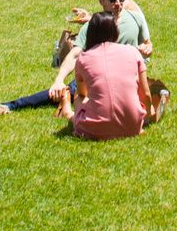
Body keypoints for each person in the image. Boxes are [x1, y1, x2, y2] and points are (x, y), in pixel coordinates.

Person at [0, 0, 152, 114]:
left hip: (129, 76)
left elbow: (147, 43)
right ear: (101, 1)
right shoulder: (93, 25)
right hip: (99, 74)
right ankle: (11, 106)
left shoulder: (135, 18)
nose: (118, 3)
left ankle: (69, 105)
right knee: (66, 89)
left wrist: (147, 48)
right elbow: (75, 54)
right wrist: (59, 80)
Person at [57, 11, 157, 140]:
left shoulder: (84, 58)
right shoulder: (133, 52)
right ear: (116, 32)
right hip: (133, 126)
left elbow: (82, 93)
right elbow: (146, 94)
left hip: (93, 130)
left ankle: (68, 113)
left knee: (78, 97)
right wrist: (147, 118)